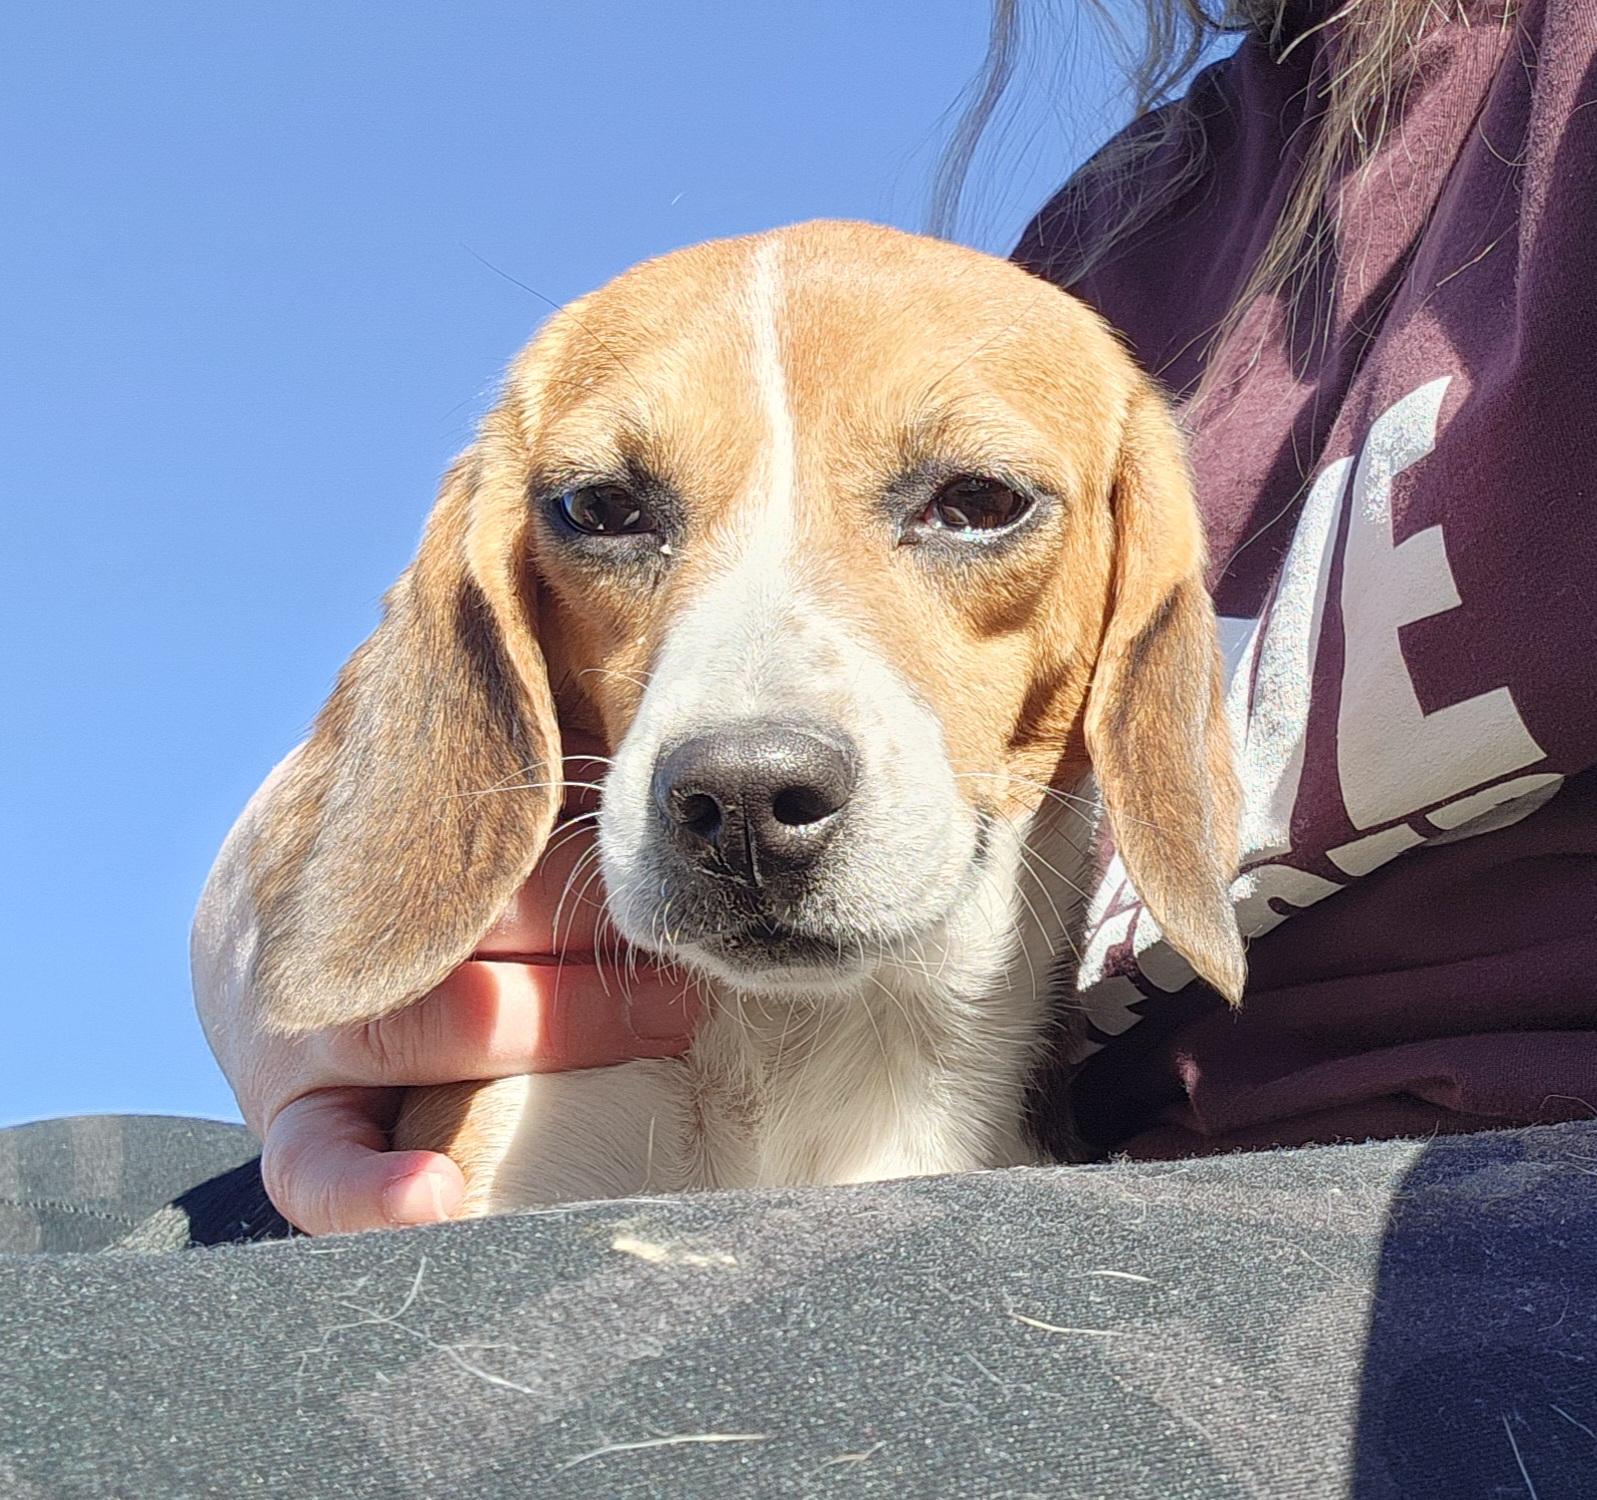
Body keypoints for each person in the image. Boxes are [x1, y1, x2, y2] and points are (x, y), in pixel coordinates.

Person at [5, 4, 1594, 1492]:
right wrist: (287, 912)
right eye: (606, 512)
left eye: (974, 504)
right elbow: (387, 763)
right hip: (817, 1101)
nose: (748, 756)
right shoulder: (1131, 227)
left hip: (1432, 1229)